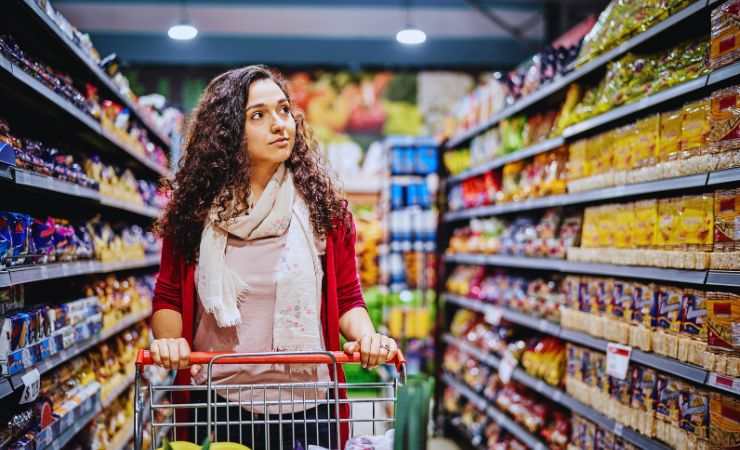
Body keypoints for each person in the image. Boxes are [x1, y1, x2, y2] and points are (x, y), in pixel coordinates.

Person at [150, 65, 398, 449]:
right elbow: (168, 299)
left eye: (284, 110)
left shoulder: (324, 212)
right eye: (258, 116)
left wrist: (368, 337)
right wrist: (170, 342)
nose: (280, 124)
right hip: (219, 404)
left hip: (310, 406)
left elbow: (348, 299)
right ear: (228, 132)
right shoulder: (193, 215)